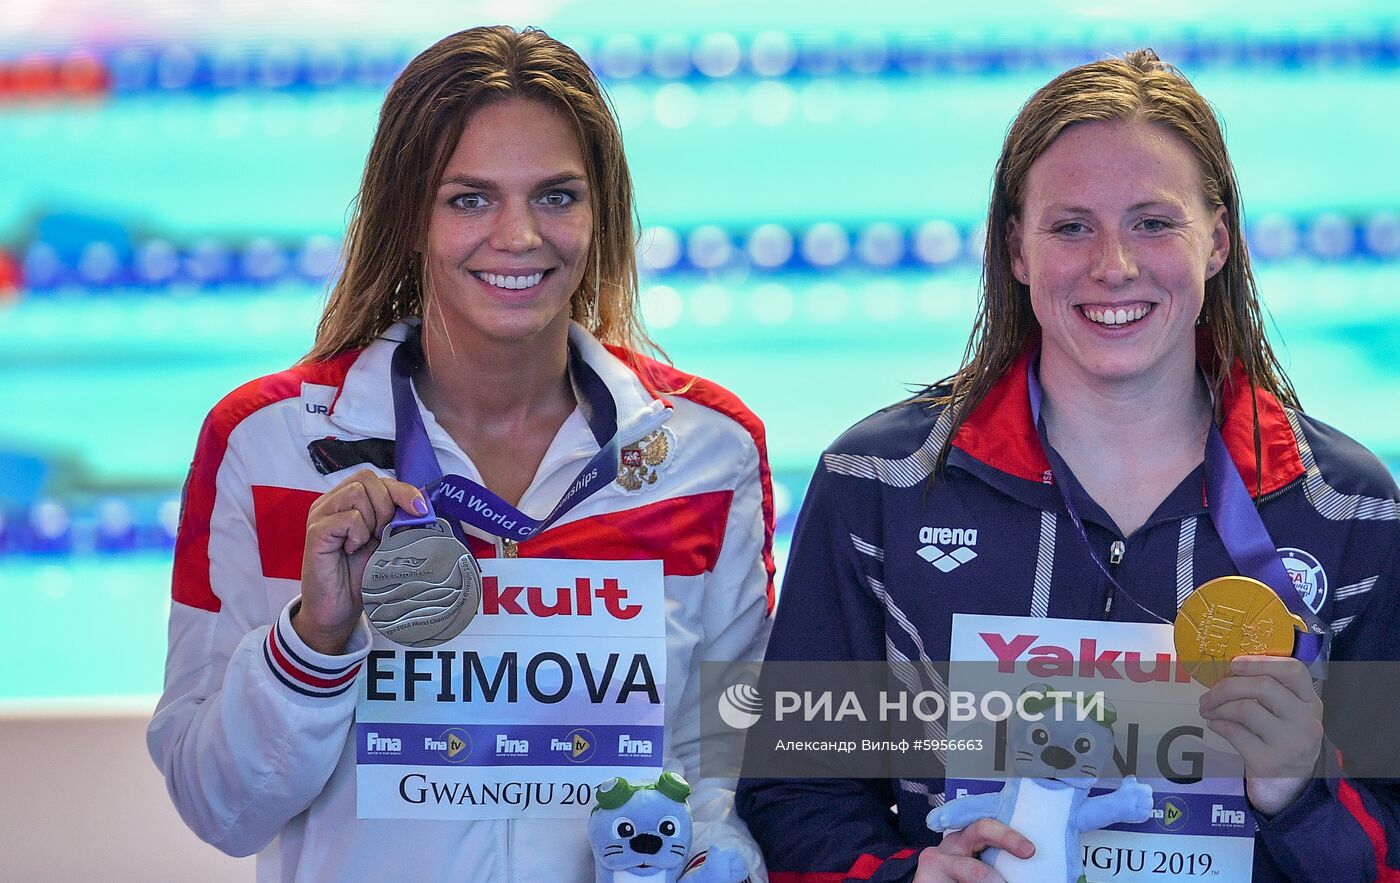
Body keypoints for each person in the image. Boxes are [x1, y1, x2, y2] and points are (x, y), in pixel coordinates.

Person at [737, 49, 1400, 883]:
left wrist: (1303, 793)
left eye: (1154, 222)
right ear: (1017, 249)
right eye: (1071, 225)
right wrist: (908, 877)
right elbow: (796, 793)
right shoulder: (881, 486)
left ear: (1218, 241)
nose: (1113, 266)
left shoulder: (1345, 511)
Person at [148, 26, 773, 882]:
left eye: (556, 196)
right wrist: (314, 638)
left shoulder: (706, 452)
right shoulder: (270, 446)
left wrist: (716, 858)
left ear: (602, 214)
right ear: (409, 215)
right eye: (470, 198)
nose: (518, 236)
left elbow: (721, 770)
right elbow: (216, 807)